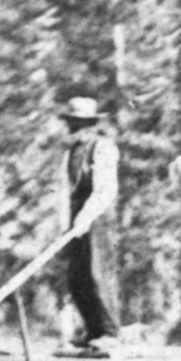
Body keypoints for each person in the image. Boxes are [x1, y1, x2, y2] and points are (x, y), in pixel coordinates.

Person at [60, 96, 120, 347]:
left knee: (97, 273)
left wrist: (86, 217)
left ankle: (108, 332)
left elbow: (105, 189)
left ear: (90, 123)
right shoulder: (72, 151)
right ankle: (92, 331)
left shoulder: (102, 147)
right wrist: (69, 222)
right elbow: (66, 189)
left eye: (80, 123)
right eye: (72, 123)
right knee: (77, 276)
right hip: (78, 219)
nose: (75, 128)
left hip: (97, 217)